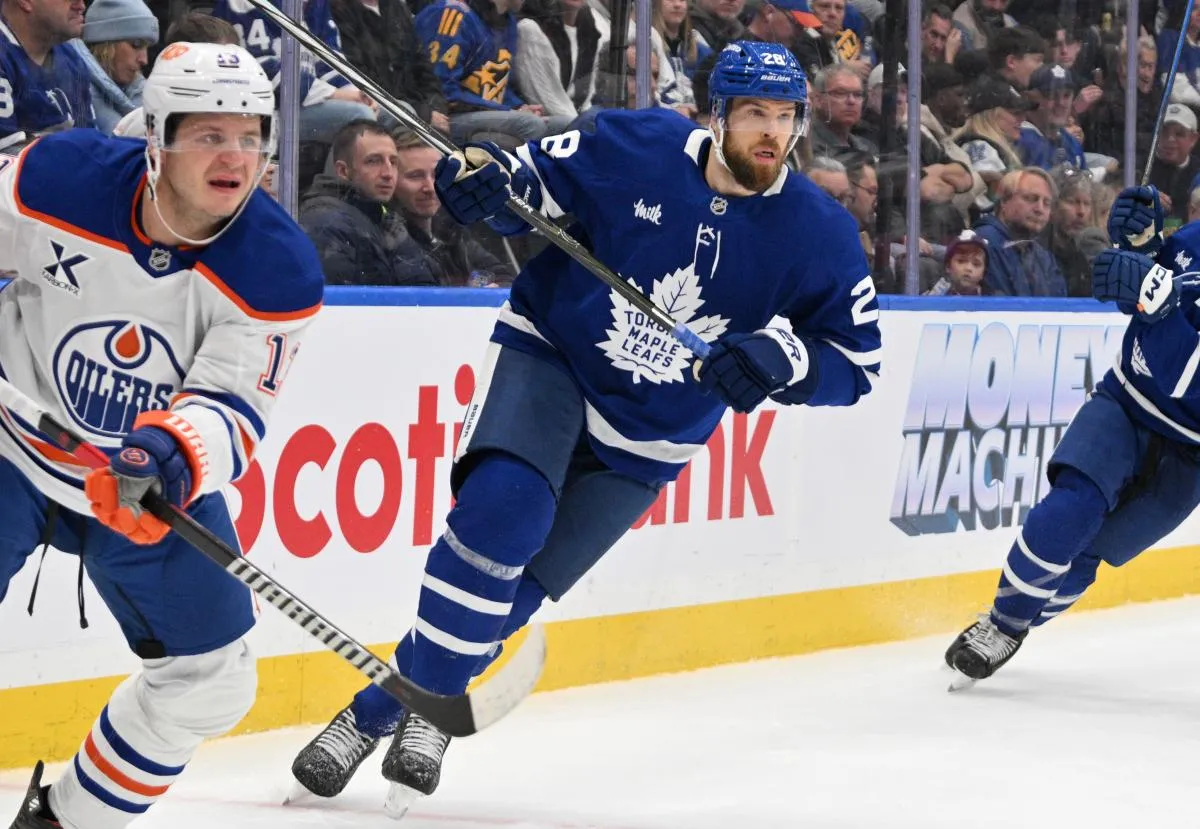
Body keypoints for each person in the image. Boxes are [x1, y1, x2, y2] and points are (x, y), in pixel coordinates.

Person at [289, 40, 882, 811]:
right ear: (716, 115)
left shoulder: (820, 232)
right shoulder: (636, 145)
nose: (771, 134)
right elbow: (519, 186)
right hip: (556, 359)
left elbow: (857, 364)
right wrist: (481, 187)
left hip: (653, 435)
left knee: (514, 596)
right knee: (504, 514)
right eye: (753, 115)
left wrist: (786, 359)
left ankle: (376, 711)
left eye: (784, 117)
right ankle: (429, 705)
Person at [3, 42, 324, 829]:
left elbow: (231, 400)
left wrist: (170, 453)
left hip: (138, 484)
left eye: (250, 136)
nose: (235, 156)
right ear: (155, 135)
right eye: (209, 135)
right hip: (10, 445)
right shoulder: (58, 179)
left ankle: (64, 820)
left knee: (214, 680)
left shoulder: (276, 266)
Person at [944, 184, 1200, 685]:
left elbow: (1186, 370)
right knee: (1072, 506)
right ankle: (1003, 624)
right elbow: (1142, 296)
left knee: (1088, 554)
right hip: (1126, 403)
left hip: (1190, 457)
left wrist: (1157, 301)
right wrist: (1142, 248)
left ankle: (1020, 622)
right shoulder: (1195, 238)